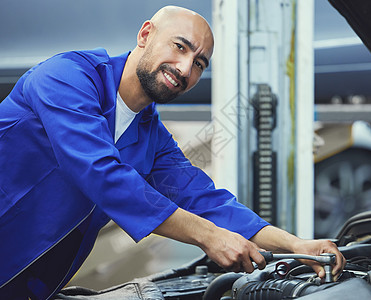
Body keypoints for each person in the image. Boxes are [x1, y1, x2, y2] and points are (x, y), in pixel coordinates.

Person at [0, 5, 346, 299]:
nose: (184, 69)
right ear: (145, 34)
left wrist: (297, 245)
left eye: (199, 63)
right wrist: (209, 236)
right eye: (180, 47)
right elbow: (101, 174)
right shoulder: (67, 78)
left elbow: (204, 199)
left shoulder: (150, 133)